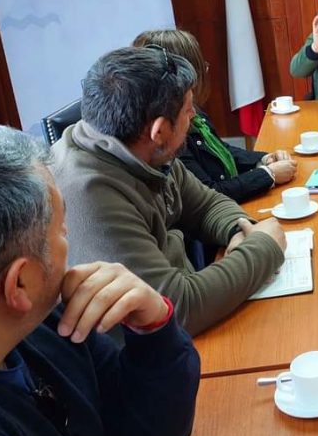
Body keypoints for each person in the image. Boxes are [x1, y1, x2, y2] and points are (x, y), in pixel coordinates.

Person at [0, 126, 200, 436]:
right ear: (19, 282)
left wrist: (153, 328)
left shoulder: (52, 323)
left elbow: (150, 433)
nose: (69, 234)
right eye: (60, 229)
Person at [52, 46, 286, 336]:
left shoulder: (145, 150)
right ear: (159, 131)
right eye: (189, 111)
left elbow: (205, 204)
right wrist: (265, 246)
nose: (194, 117)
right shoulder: (88, 196)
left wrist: (241, 231)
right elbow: (177, 310)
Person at [132, 29, 297, 203]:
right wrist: (268, 175)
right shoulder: (171, 137)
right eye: (200, 66)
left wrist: (264, 159)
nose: (206, 70)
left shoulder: (191, 112)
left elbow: (221, 150)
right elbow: (209, 195)